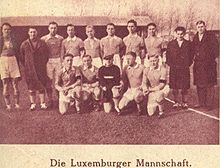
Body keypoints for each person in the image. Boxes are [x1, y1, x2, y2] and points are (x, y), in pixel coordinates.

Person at [20, 27, 49, 110]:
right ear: (28, 33)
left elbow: (46, 55)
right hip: (29, 69)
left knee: (41, 85)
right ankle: (33, 104)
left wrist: (42, 64)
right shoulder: (24, 44)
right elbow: (22, 57)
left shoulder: (42, 43)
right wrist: (27, 65)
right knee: (31, 87)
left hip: (40, 68)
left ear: (37, 33)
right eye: (31, 32)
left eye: (34, 32)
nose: (33, 34)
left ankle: (42, 103)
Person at [192, 20, 219, 110]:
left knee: (209, 84)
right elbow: (193, 50)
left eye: (202, 26)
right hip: (198, 65)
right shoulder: (195, 37)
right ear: (197, 28)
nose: (200, 28)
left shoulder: (211, 36)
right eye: (198, 27)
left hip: (209, 65)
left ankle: (209, 105)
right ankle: (201, 103)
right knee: (200, 84)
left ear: (205, 27)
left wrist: (210, 59)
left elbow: (216, 49)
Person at [166, 26, 194, 108]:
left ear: (184, 34)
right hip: (174, 68)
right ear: (175, 34)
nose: (180, 36)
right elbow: (168, 56)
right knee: (174, 86)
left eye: (181, 34)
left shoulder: (188, 44)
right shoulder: (171, 44)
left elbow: (191, 56)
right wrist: (171, 64)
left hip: (184, 68)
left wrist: (187, 64)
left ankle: (185, 102)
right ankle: (176, 102)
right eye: (178, 34)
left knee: (184, 86)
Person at [41, 21, 64, 108]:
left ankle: (59, 99)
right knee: (49, 81)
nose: (53, 30)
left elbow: (62, 51)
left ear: (57, 29)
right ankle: (50, 100)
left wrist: (62, 61)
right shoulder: (44, 39)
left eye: (55, 28)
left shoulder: (61, 38)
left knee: (59, 80)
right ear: (48, 28)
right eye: (51, 28)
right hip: (49, 61)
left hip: (58, 60)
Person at [0, 23, 21, 110]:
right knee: (5, 83)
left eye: (8, 29)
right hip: (3, 61)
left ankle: (17, 104)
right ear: (2, 30)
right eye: (5, 29)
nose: (7, 31)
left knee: (15, 83)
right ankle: (8, 105)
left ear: (10, 30)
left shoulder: (14, 40)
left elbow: (18, 52)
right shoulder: (0, 40)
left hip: (13, 60)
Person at [118, 51, 145, 115]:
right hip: (130, 89)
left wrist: (143, 86)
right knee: (121, 106)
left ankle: (140, 108)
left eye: (129, 59)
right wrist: (121, 85)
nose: (127, 61)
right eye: (126, 59)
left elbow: (146, 80)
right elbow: (123, 80)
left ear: (135, 58)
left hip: (139, 89)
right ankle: (133, 104)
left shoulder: (142, 67)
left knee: (137, 96)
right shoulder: (125, 68)